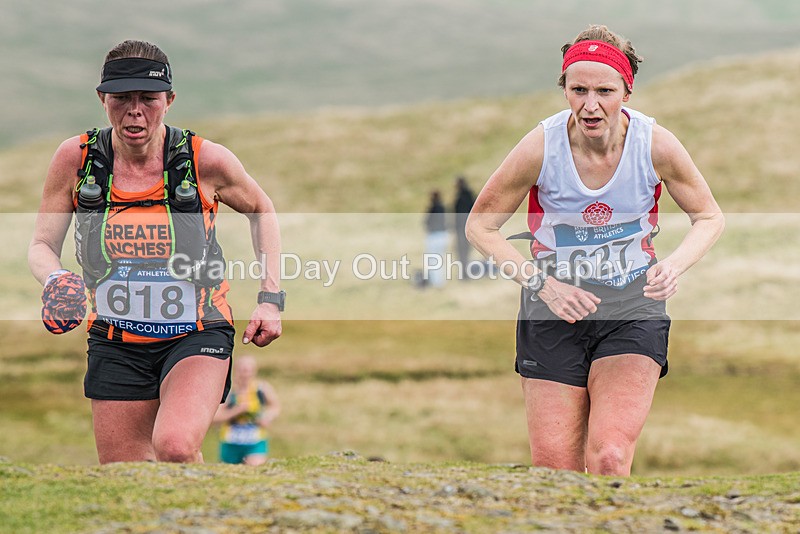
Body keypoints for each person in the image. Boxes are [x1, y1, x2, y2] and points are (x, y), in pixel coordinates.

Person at [466, 25, 723, 476]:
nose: (590, 104)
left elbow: (709, 217)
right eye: (577, 89)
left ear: (627, 89)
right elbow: (479, 227)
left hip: (632, 306)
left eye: (604, 90)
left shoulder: (654, 144)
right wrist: (541, 284)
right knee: (555, 472)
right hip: (553, 310)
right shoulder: (541, 147)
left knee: (609, 456)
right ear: (563, 88)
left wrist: (674, 265)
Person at [28, 40, 285, 464]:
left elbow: (262, 209)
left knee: (176, 448)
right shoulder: (76, 159)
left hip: (197, 331)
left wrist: (270, 299)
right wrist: (57, 279)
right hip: (115, 339)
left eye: (148, 98)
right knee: (126, 478)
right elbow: (41, 245)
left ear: (169, 100)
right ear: (101, 99)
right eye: (121, 98)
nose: (135, 111)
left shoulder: (205, 160)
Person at [214, 355, 281, 465]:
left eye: (249, 370)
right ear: (236, 370)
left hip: (255, 442)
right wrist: (236, 411)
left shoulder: (262, 388)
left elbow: (275, 407)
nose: (246, 374)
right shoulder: (229, 391)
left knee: (254, 469)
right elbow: (215, 417)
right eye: (242, 370)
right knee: (230, 474)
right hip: (231, 442)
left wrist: (266, 417)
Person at [423, 189, 448, 287]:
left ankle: (436, 282)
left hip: (434, 236)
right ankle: (439, 281)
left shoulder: (433, 208)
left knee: (433, 259)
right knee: (439, 259)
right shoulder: (442, 208)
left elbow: (428, 222)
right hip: (442, 235)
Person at [453, 175, 475, 270]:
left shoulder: (461, 197)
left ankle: (464, 272)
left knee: (462, 251)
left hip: (462, 227)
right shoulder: (469, 195)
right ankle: (465, 271)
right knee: (465, 252)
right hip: (468, 226)